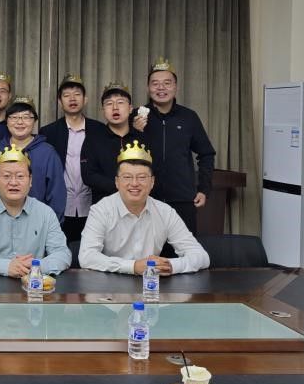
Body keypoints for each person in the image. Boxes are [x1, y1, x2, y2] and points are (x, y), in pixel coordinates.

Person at [78, 141, 210, 275]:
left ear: (152, 182)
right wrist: (133, 267)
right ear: (117, 182)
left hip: (151, 283)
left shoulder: (165, 212)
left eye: (142, 177)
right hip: (110, 283)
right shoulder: (101, 210)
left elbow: (201, 256)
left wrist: (170, 266)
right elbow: (87, 256)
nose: (134, 183)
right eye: (127, 177)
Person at [133, 57, 216, 234]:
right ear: (148, 88)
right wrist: (136, 132)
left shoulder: (189, 117)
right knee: (147, 249)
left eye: (167, 83)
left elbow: (206, 154)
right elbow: (122, 154)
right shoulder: (136, 116)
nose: (161, 88)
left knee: (183, 248)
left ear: (176, 87)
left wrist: (204, 189)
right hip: (145, 199)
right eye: (155, 83)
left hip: (182, 200)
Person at [0, 145, 70, 276]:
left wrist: (35, 266)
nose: (13, 182)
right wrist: (6, 266)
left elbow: (62, 254)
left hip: (32, 282)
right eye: (6, 176)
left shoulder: (45, 213)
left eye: (20, 176)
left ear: (30, 180)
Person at [39, 73, 105, 243]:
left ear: (85, 99)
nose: (72, 99)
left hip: (93, 206)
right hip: (60, 206)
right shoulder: (48, 132)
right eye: (67, 95)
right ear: (60, 101)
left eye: (77, 94)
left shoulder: (100, 130)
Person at [0, 96, 65, 220]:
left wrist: (51, 225)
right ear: (6, 121)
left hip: (38, 223)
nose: (20, 122)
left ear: (34, 121)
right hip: (0, 222)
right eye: (14, 117)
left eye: (26, 117)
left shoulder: (47, 152)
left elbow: (57, 194)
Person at [81, 82, 144, 204]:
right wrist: (121, 187)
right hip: (104, 206)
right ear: (103, 110)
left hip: (138, 204)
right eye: (109, 103)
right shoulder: (93, 139)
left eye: (120, 102)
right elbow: (88, 176)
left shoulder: (141, 138)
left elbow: (152, 172)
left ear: (130, 108)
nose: (115, 107)